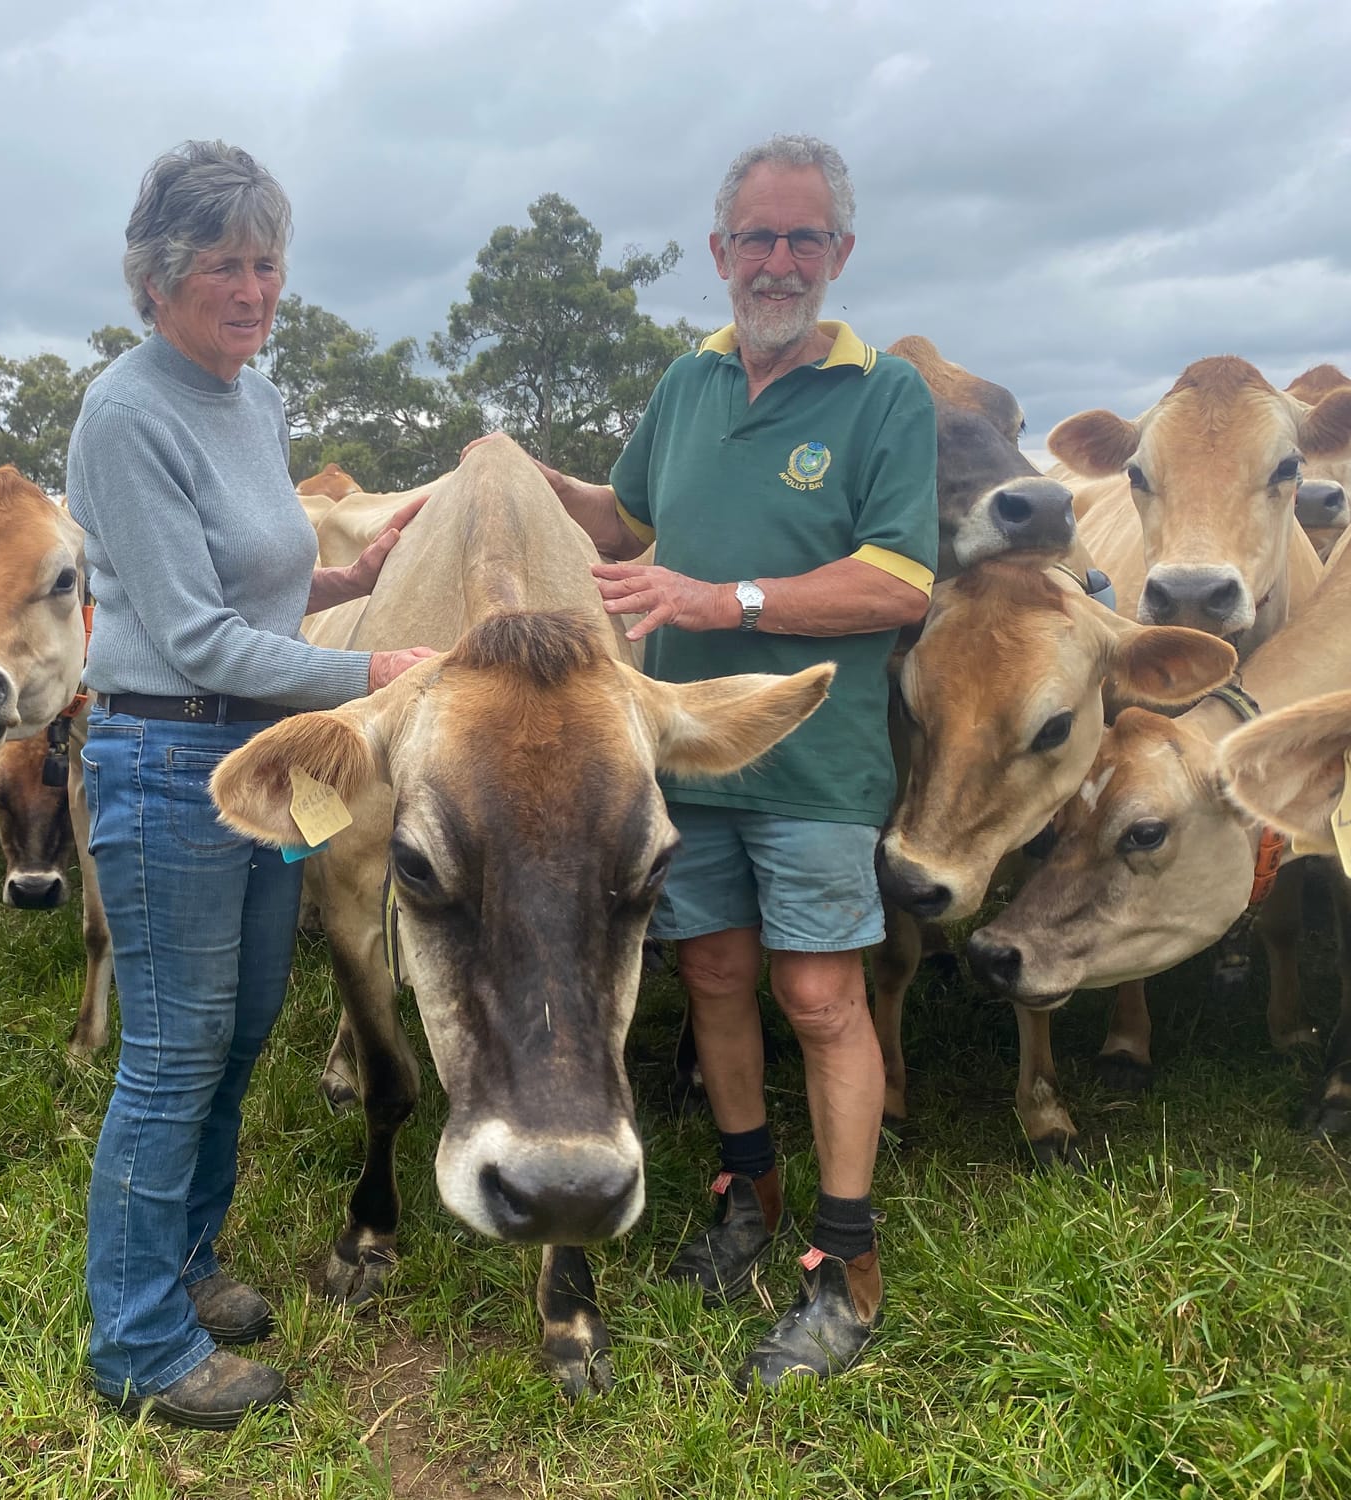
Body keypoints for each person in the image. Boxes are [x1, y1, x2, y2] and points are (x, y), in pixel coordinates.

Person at [526, 135, 936, 1385]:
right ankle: (742, 1193)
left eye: (800, 239)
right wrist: (512, 471)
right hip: (682, 759)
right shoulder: (687, 382)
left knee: (819, 999)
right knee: (709, 975)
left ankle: (846, 1268)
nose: (775, 260)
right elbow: (626, 519)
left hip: (811, 764)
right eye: (753, 239)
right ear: (717, 254)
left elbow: (894, 582)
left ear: (838, 256)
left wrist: (725, 600)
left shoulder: (884, 397)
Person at [66, 140, 435, 1430]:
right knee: (170, 1051)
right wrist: (376, 664)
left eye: (265, 261)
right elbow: (191, 634)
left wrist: (348, 581)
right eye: (220, 262)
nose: (251, 286)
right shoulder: (126, 413)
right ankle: (136, 1341)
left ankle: (184, 1263)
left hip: (265, 758)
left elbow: (252, 590)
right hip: (170, 757)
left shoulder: (251, 398)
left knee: (239, 1030)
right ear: (156, 280)